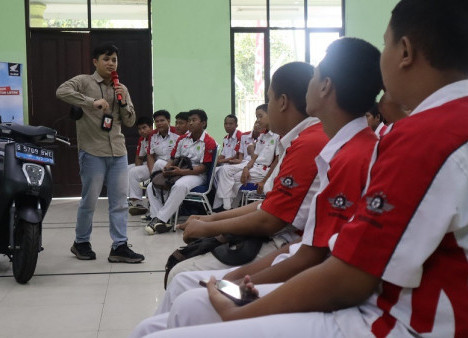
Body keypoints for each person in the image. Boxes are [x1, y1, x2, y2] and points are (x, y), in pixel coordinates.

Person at [137, 0, 468, 336]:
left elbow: (344, 275)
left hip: (388, 319)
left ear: (406, 51)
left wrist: (240, 301)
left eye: (387, 43)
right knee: (187, 305)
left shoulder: (423, 137)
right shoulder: (435, 129)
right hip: (379, 301)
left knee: (180, 310)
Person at [132, 36, 383, 336]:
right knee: (163, 316)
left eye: (315, 77)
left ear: (324, 87)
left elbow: (310, 252)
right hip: (297, 257)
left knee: (183, 294)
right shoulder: (335, 147)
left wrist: (235, 286)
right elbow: (307, 244)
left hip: (319, 281)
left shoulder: (340, 151)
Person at [169, 62, 329, 284]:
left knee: (181, 276)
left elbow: (270, 220)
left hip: (288, 241)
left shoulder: (309, 142)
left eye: (269, 99)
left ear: (282, 102)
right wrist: (210, 219)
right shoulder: (299, 139)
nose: (266, 111)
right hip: (279, 229)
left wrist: (208, 227)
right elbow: (269, 205)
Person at [56, 43, 145, 263]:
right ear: (95, 62)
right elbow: (61, 91)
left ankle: (120, 246)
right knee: (90, 201)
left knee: (119, 202)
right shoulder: (84, 81)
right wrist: (91, 102)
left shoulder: (120, 87)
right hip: (92, 151)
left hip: (117, 150)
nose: (111, 63)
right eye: (106, 59)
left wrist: (123, 102)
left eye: (114, 59)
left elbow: (130, 121)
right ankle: (81, 242)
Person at [144, 109, 217, 235]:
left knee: (180, 185)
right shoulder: (182, 139)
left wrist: (180, 172)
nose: (191, 123)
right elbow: (172, 159)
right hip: (179, 170)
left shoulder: (209, 142)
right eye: (189, 121)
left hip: (197, 174)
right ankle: (160, 220)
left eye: (194, 120)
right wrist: (167, 169)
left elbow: (203, 168)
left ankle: (161, 218)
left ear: (203, 123)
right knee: (152, 185)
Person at [215, 105, 278, 210]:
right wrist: (246, 168)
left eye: (260, 116)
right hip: (255, 167)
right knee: (229, 174)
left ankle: (228, 208)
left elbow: (277, 161)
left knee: (234, 178)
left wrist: (264, 181)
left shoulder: (277, 135)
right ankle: (230, 209)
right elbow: (254, 157)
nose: (258, 120)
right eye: (256, 117)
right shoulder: (262, 135)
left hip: (266, 171)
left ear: (270, 115)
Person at [129, 111, 180, 216]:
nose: (159, 123)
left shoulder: (177, 133)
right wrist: (153, 173)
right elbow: (149, 155)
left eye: (162, 120)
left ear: (169, 121)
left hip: (173, 166)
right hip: (155, 167)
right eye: (157, 121)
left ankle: (151, 184)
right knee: (133, 171)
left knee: (160, 164)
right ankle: (137, 203)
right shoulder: (152, 135)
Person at [127, 116, 153, 215]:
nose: (141, 131)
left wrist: (138, 173)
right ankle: (134, 200)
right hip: (149, 164)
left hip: (158, 165)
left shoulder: (155, 136)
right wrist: (139, 172)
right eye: (139, 129)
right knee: (128, 169)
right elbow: (139, 158)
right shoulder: (142, 139)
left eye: (144, 128)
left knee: (133, 172)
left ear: (151, 127)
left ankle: (136, 201)